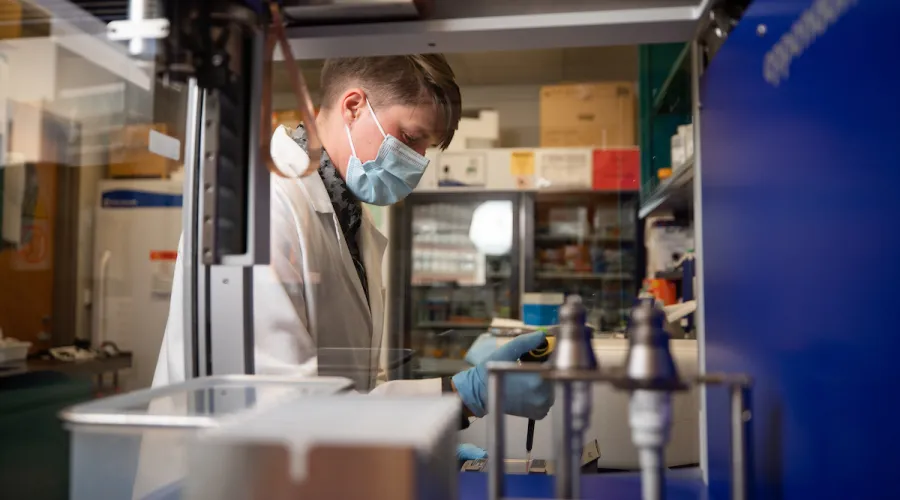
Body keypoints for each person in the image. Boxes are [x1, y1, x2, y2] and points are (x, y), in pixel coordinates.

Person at [152, 55, 553, 458]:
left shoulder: (349, 215)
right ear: (353, 106)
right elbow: (279, 407)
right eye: (410, 138)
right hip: (218, 476)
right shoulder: (263, 205)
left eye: (425, 149)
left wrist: (418, 432)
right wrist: (458, 398)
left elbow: (350, 388)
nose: (417, 162)